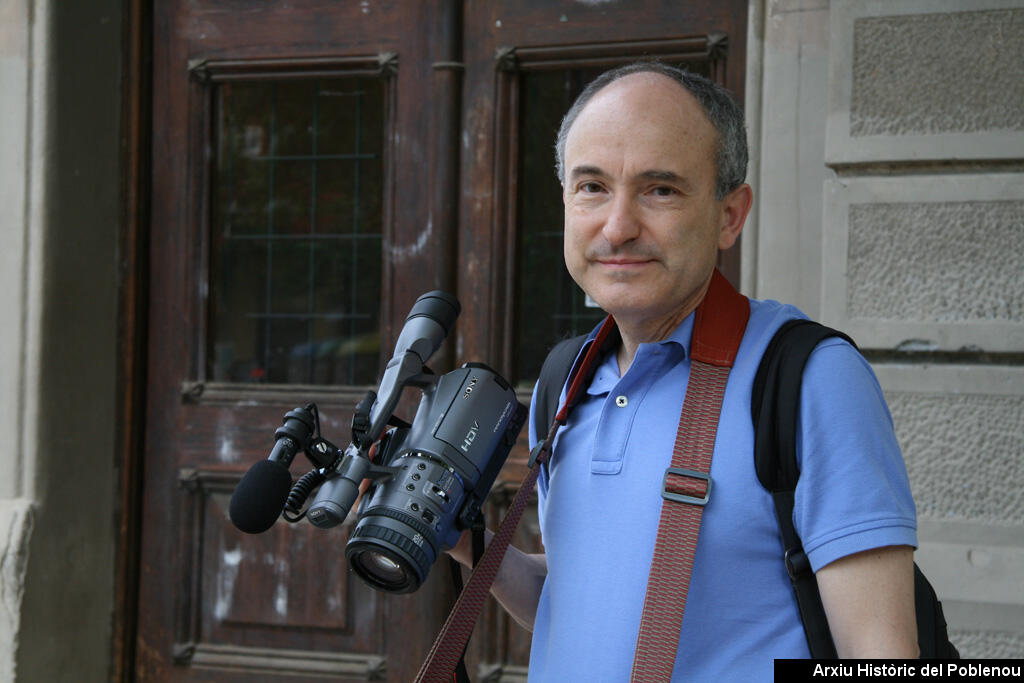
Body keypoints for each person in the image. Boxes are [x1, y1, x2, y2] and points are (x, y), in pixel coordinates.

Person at [449, 62, 919, 680]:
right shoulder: (566, 377)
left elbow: (881, 661)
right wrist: (459, 535)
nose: (617, 227)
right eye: (592, 186)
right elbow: (573, 606)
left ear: (730, 215)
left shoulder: (808, 378)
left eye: (660, 189)